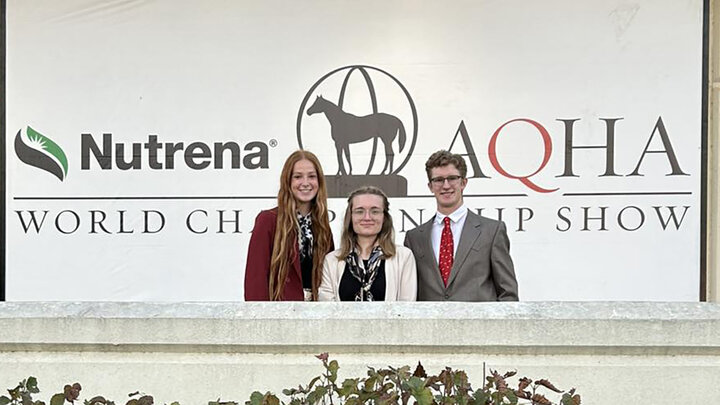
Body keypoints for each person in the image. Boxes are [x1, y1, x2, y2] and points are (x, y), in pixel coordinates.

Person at [403, 150, 518, 301]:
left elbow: (508, 294)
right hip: (430, 323)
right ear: (430, 186)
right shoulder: (415, 237)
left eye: (452, 178)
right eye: (438, 180)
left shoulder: (492, 231)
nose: (445, 185)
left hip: (478, 323)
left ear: (463, 182)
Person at [244, 150, 334, 301]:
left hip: (316, 314)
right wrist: (259, 319)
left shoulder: (322, 227)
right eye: (298, 176)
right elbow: (256, 278)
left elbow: (329, 278)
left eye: (312, 176)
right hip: (280, 313)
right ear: (288, 181)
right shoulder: (268, 220)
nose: (305, 183)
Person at [319, 186, 417, 301]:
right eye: (359, 211)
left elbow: (407, 309)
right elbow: (327, 311)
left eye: (375, 211)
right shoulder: (332, 260)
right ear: (350, 217)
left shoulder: (403, 257)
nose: (367, 217)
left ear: (384, 217)